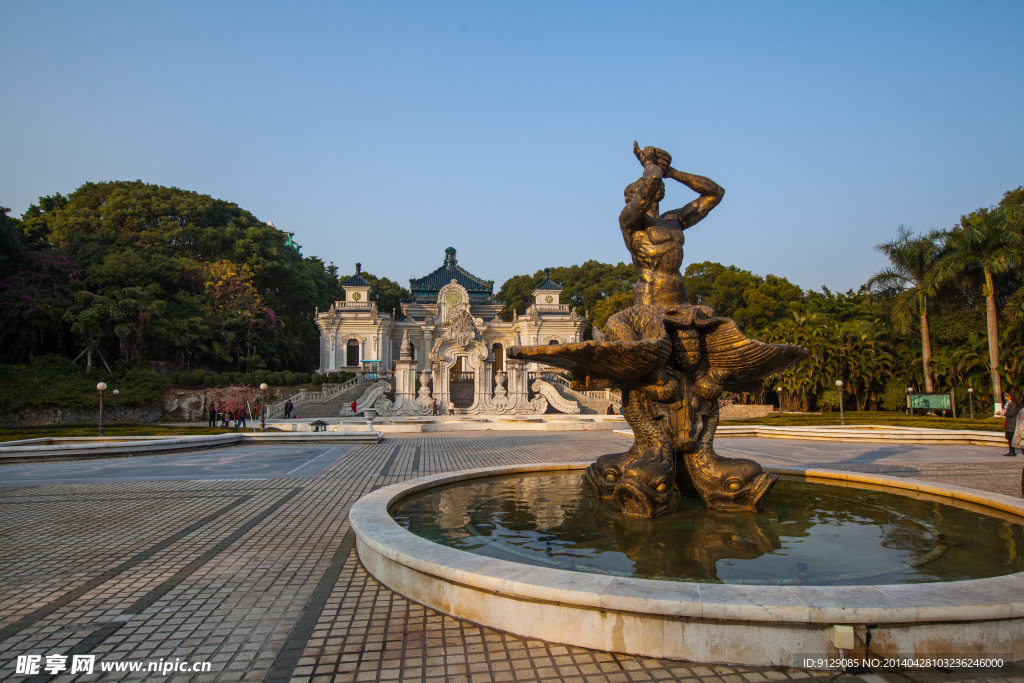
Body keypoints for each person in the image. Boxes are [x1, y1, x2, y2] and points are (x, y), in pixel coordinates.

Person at [620, 142, 724, 307]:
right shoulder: (631, 221)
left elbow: (715, 193)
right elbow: (652, 179)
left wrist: (672, 172)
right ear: (634, 196)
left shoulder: (673, 220)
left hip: (680, 299)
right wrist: (649, 163)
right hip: (649, 301)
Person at [998, 391, 1020, 457]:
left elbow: (1010, 414)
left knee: (1010, 438)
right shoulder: (1010, 404)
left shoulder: (1013, 404)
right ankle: (1011, 451)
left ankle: (1012, 452)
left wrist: (1003, 414)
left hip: (1012, 424)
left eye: (1006, 396)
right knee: (1009, 437)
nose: (1005, 398)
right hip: (1009, 424)